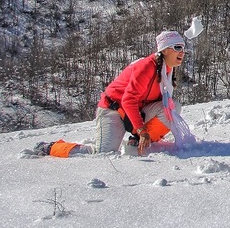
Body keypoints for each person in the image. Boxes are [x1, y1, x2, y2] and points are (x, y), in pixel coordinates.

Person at [32, 31, 186, 157]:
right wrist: (142, 129)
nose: (182, 52)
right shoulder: (147, 67)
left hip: (135, 111)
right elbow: (128, 100)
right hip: (113, 110)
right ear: (164, 50)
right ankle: (51, 148)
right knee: (102, 153)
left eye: (183, 48)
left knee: (171, 108)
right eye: (178, 47)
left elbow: (158, 103)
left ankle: (137, 142)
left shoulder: (167, 71)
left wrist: (144, 132)